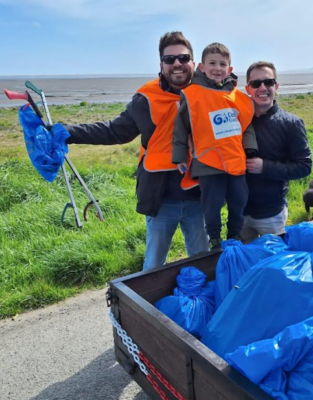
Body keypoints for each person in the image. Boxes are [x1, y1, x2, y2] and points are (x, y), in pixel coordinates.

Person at [64, 31, 208, 271]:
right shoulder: (145, 99)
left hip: (199, 197)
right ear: (161, 65)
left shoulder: (210, 94)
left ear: (193, 63)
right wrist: (67, 132)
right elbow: (114, 131)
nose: (177, 64)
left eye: (183, 58)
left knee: (203, 262)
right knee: (153, 267)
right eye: (169, 59)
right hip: (161, 198)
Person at [172, 43, 257, 250]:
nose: (217, 68)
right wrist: (180, 156)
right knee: (212, 204)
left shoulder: (238, 97)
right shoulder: (192, 94)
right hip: (207, 162)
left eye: (222, 64)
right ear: (202, 67)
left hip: (235, 159)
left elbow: (246, 126)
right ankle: (215, 238)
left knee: (239, 199)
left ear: (230, 69)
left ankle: (235, 234)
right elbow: (181, 128)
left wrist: (250, 149)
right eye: (212, 63)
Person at [240, 61, 312, 242]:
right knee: (243, 257)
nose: (262, 88)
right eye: (256, 83)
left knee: (274, 257)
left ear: (276, 86)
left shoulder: (291, 123)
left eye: (268, 82)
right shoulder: (237, 120)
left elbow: (304, 166)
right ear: (248, 89)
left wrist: (265, 167)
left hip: (271, 214)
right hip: (239, 211)